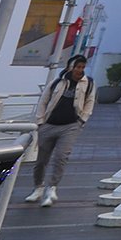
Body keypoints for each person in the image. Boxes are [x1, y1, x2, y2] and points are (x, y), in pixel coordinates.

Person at [25, 55, 95, 207]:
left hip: (70, 126)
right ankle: (38, 187)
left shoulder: (88, 83)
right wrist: (40, 122)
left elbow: (90, 102)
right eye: (78, 67)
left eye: (83, 67)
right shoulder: (57, 82)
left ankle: (52, 187)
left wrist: (82, 120)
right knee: (41, 160)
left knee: (61, 157)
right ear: (71, 67)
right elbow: (43, 101)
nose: (80, 70)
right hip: (49, 124)